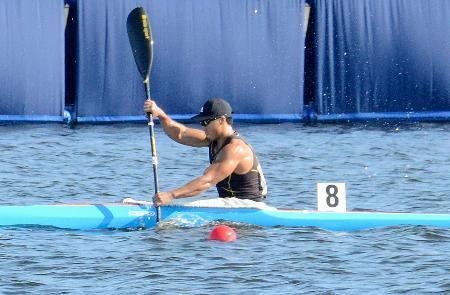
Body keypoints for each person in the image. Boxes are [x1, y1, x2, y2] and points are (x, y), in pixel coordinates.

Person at [143, 97, 267, 206]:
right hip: (229, 204)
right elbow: (180, 134)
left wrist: (171, 195)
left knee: (176, 203)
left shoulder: (235, 148)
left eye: (206, 122)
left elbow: (207, 181)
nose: (203, 126)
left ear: (222, 120)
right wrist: (160, 114)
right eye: (202, 122)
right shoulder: (214, 139)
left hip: (247, 206)